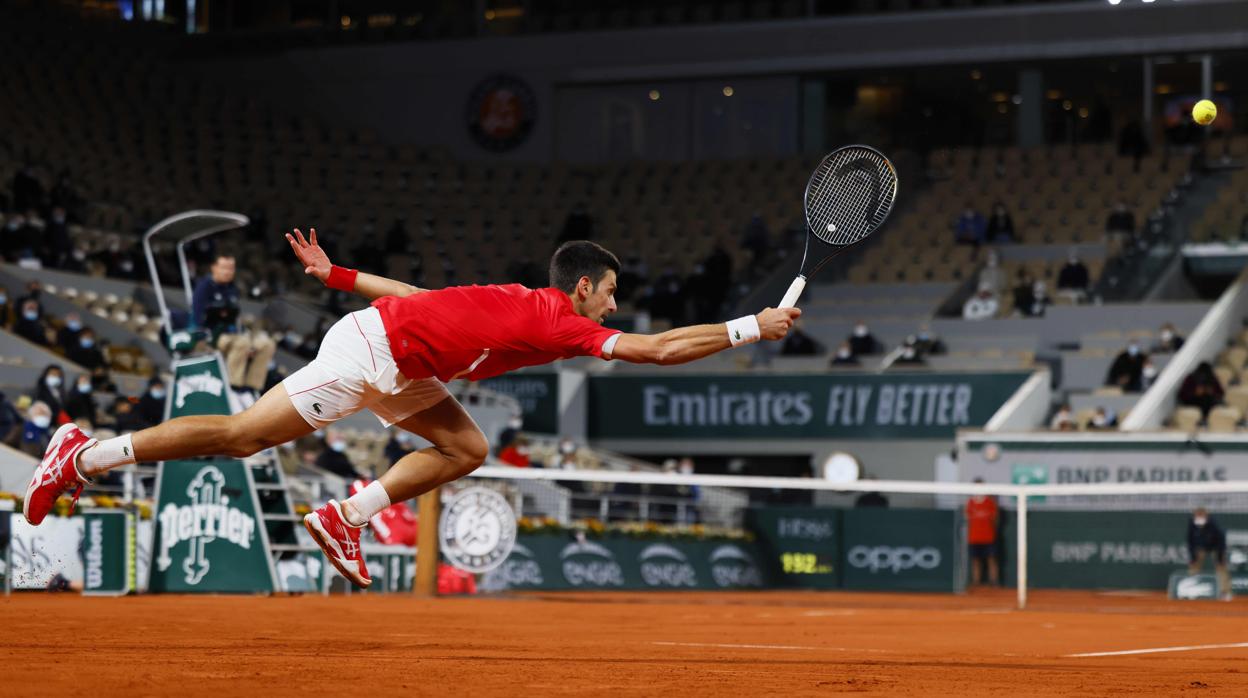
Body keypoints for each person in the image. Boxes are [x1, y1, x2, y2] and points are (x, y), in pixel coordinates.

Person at [25, 231, 801, 589]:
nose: (615, 303)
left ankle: (344, 516)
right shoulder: (558, 318)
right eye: (610, 292)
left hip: (404, 362)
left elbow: (422, 299)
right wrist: (749, 328)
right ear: (584, 290)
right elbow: (658, 351)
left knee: (465, 446)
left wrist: (338, 273)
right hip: (370, 356)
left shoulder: (524, 308)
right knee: (237, 438)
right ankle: (83, 454)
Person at [192, 254, 277, 393]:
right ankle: (234, 386)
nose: (228, 272)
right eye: (224, 268)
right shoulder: (204, 288)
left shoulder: (232, 288)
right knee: (242, 343)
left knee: (267, 344)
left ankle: (252, 386)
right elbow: (198, 319)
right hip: (212, 336)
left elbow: (235, 316)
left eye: (231, 268)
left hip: (234, 332)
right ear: (214, 268)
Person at [1187, 507, 1231, 600]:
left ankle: (1225, 592)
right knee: (1193, 566)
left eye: (1201, 515)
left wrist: (1220, 556)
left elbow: (1221, 540)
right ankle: (1190, 589)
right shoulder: (1192, 523)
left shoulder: (1213, 524)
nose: (1199, 517)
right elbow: (1190, 540)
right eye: (1197, 515)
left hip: (1216, 547)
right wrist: (1193, 556)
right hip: (1200, 546)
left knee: (1221, 568)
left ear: (1206, 515)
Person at [966, 478, 1000, 587]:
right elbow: (967, 517)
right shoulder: (970, 503)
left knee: (991, 559)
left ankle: (994, 582)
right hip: (974, 538)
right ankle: (976, 583)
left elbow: (996, 518)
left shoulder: (990, 502)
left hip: (989, 537)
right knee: (975, 561)